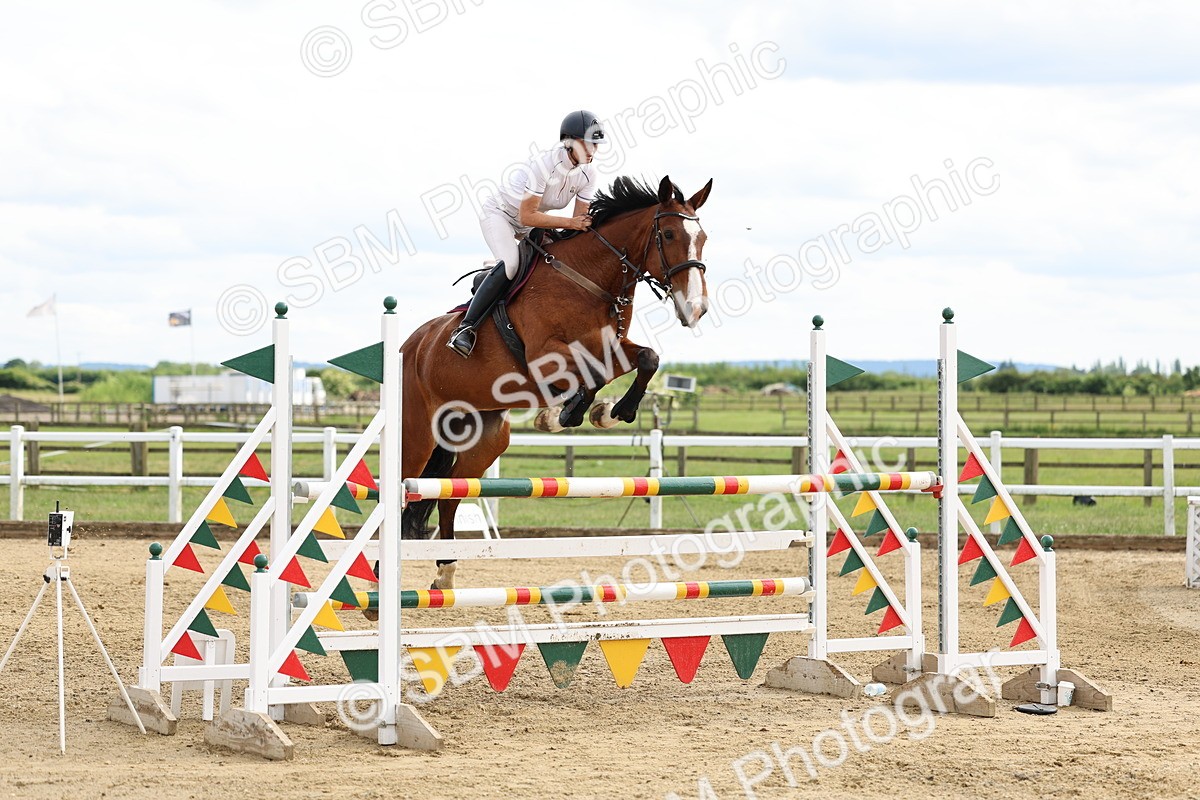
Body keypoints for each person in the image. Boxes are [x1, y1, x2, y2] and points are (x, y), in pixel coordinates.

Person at [447, 109, 606, 357]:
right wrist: (572, 223)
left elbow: (579, 222)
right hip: (502, 215)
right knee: (511, 265)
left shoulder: (589, 174)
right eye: (588, 144)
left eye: (596, 145)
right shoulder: (544, 165)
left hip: (534, 222)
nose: (593, 151)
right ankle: (466, 329)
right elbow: (527, 216)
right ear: (571, 142)